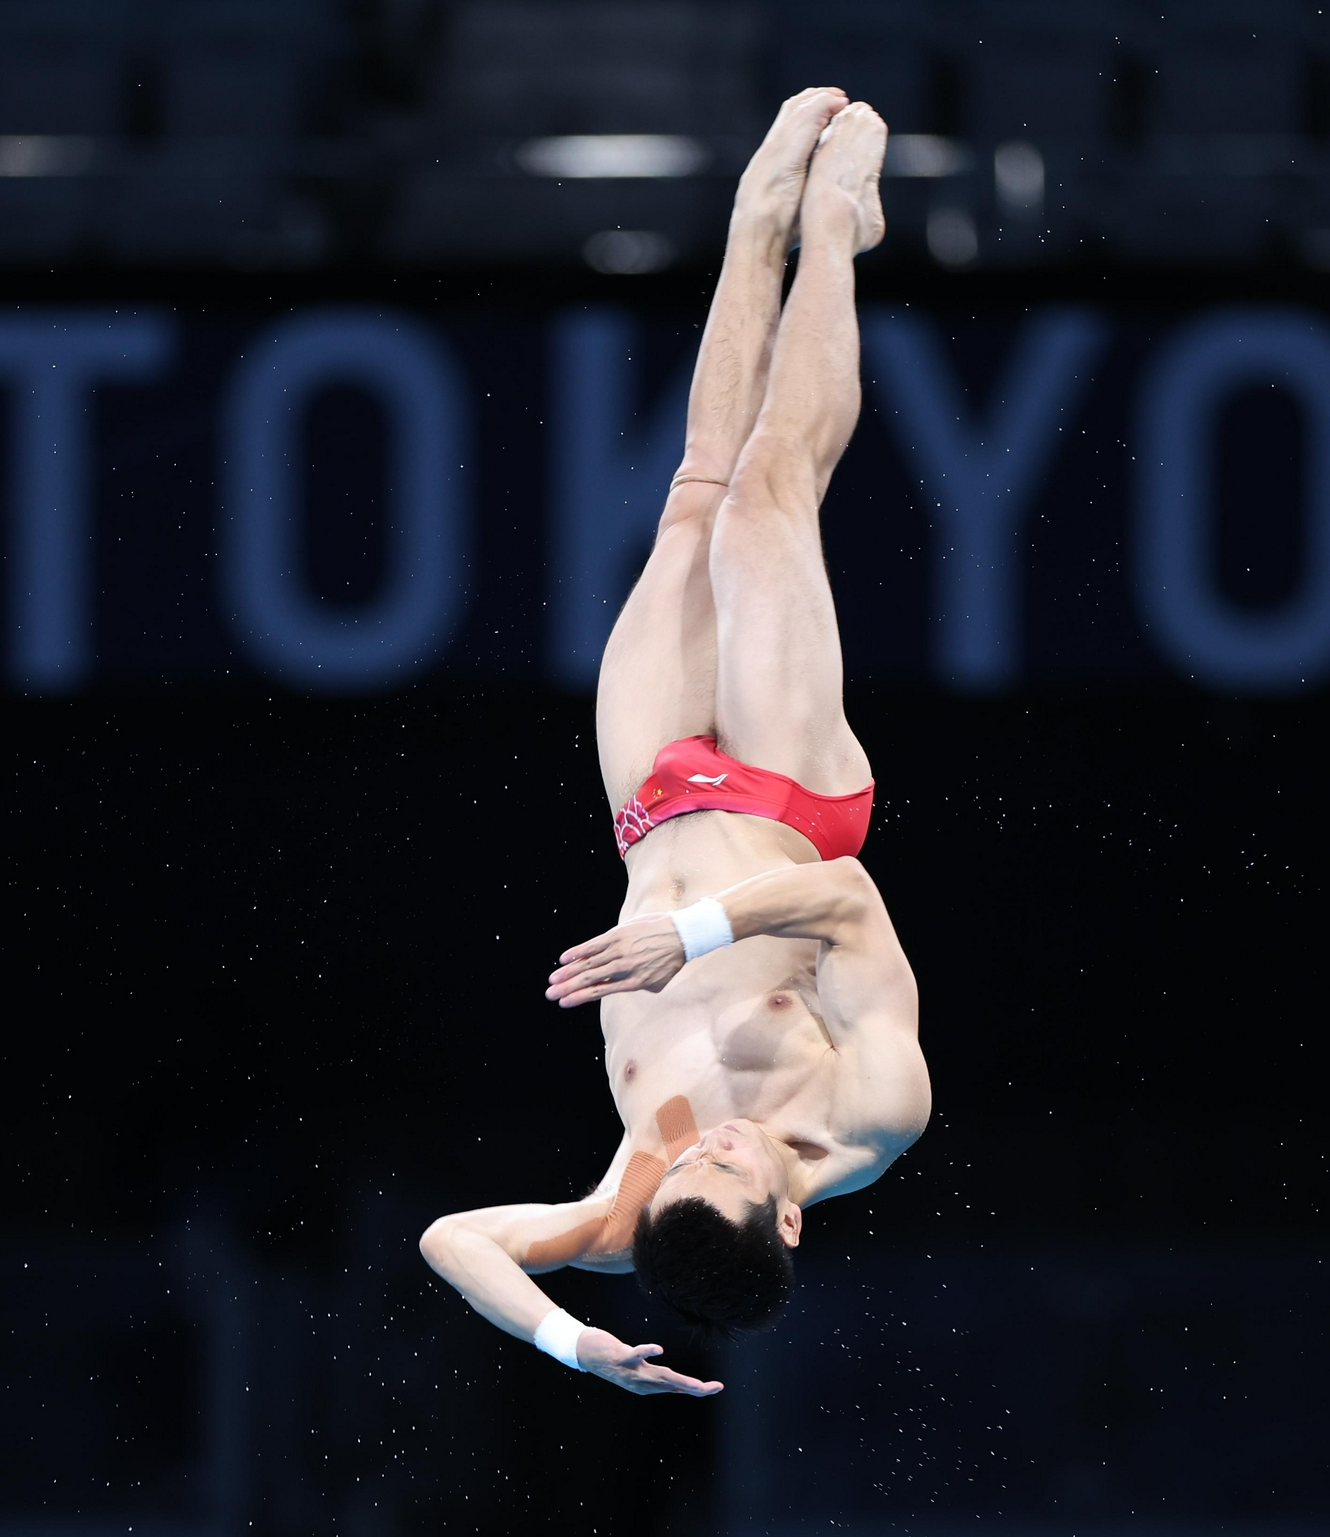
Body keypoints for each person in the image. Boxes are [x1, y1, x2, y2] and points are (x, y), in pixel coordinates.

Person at [420, 89, 930, 1398]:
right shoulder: (872, 1111)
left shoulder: (628, 1203)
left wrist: (562, 1333)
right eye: (731, 1167)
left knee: (696, 493)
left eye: (685, 1166)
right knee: (770, 494)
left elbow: (452, 1237)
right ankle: (831, 234)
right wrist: (690, 939)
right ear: (793, 1212)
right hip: (792, 800)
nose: (707, 1143)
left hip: (649, 808)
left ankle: (753, 227)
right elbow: (852, 903)